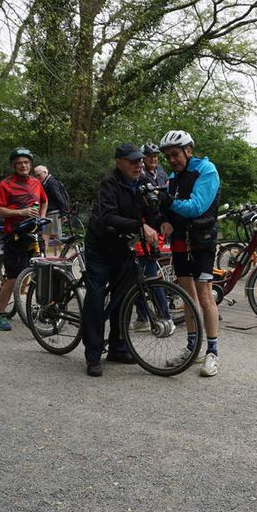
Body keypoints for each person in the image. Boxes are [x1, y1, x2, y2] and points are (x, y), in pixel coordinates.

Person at [82, 144, 165, 377]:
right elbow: (108, 216)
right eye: (133, 161)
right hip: (100, 246)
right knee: (96, 298)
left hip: (122, 246)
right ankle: (93, 355)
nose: (139, 164)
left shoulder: (141, 183)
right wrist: (140, 226)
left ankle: (118, 347)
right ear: (119, 162)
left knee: (124, 296)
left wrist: (162, 223)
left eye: (140, 160)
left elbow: (153, 212)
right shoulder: (109, 183)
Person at [157, 129, 221, 377]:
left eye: (175, 154)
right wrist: (163, 217)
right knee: (186, 297)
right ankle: (192, 347)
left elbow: (196, 207)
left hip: (201, 242)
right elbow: (168, 209)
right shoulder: (172, 178)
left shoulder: (206, 170)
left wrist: (167, 202)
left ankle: (213, 352)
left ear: (188, 150)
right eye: (168, 156)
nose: (172, 160)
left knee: (205, 297)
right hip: (180, 243)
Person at [0, 148, 47, 331]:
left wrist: (41, 216)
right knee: (14, 277)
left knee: (43, 272)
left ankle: (41, 308)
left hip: (34, 234)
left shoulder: (36, 183)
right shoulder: (5, 184)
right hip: (14, 235)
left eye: (26, 162)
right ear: (13, 166)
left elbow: (44, 201)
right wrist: (21, 212)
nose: (23, 166)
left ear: (30, 164)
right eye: (19, 163)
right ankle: (1, 315)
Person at [33, 164, 70, 252]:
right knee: (51, 235)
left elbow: (59, 198)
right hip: (51, 213)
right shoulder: (46, 182)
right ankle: (60, 256)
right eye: (36, 175)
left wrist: (63, 213)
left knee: (49, 235)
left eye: (39, 175)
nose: (38, 177)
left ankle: (60, 256)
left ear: (45, 172)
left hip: (54, 213)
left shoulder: (51, 182)